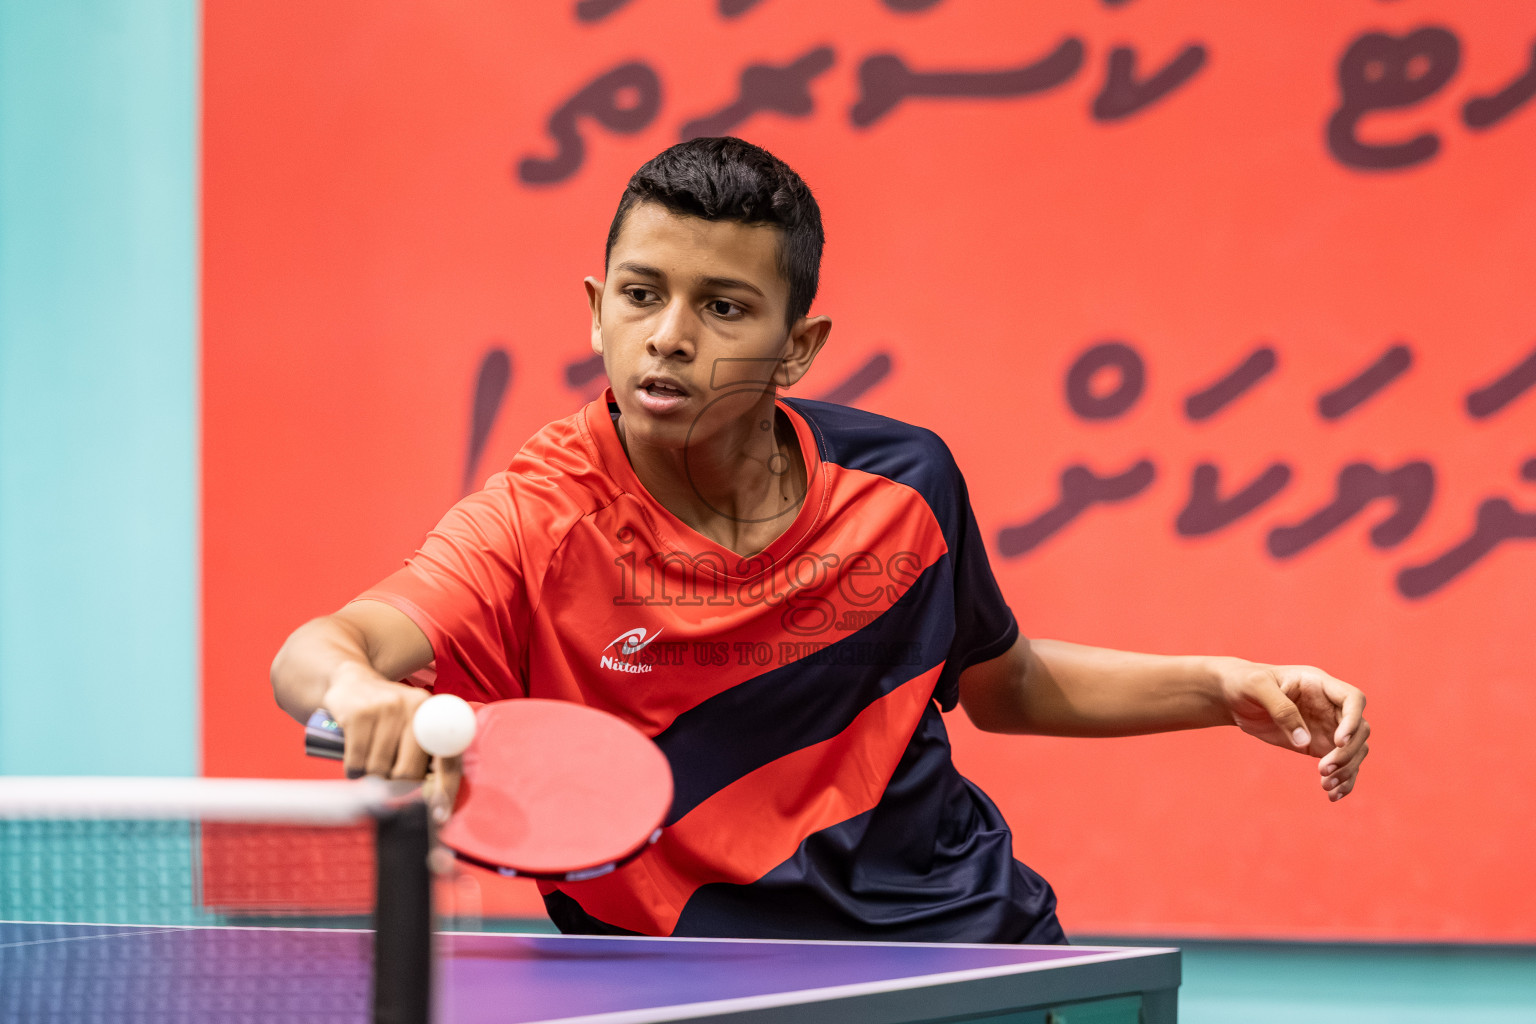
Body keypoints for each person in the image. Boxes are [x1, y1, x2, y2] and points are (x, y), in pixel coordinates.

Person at [271, 136, 1370, 943]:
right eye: (643, 296)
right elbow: (322, 648)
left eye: (724, 307)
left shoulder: (903, 484)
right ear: (597, 308)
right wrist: (363, 691)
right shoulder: (532, 519)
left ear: (799, 346)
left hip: (964, 947)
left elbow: (1003, 682)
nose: (670, 336)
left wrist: (1225, 685)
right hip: (687, 983)